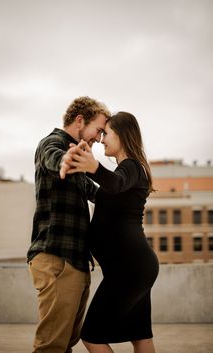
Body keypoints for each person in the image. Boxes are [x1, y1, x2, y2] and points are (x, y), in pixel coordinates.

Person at [60, 111, 159, 353]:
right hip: (132, 268)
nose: (102, 139)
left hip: (129, 269)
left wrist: (93, 166)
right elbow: (111, 187)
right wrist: (82, 170)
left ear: (123, 136)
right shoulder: (124, 172)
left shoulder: (132, 167)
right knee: (141, 336)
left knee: (92, 335)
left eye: (107, 134)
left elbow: (115, 184)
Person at [27, 96, 110, 353]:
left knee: (65, 345)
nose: (99, 138)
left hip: (75, 261)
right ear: (79, 120)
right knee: (51, 347)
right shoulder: (52, 144)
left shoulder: (80, 164)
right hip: (56, 258)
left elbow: (98, 193)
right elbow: (56, 158)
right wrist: (66, 160)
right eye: (98, 130)